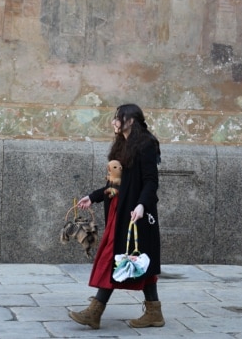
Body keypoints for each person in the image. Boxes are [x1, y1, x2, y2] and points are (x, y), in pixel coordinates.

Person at [69, 104, 163, 330]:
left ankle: (95, 311)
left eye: (118, 118)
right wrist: (93, 197)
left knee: (116, 258)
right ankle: (154, 312)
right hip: (118, 212)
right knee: (138, 262)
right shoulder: (122, 144)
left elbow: (151, 181)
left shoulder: (147, 144)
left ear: (131, 120)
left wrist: (141, 205)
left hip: (135, 214)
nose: (114, 122)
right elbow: (115, 184)